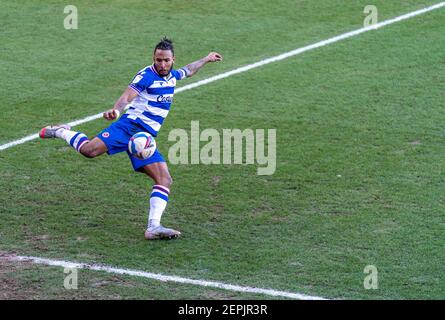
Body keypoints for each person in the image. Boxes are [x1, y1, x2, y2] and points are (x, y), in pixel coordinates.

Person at [39, 37, 223, 240]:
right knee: (89, 151)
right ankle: (61, 131)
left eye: (166, 60)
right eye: (158, 60)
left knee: (164, 179)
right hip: (128, 128)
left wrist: (206, 59)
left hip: (145, 138)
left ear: (173, 60)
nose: (162, 64)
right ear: (153, 58)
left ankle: (153, 227)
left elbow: (188, 70)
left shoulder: (171, 75)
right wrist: (116, 111)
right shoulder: (146, 75)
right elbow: (127, 96)